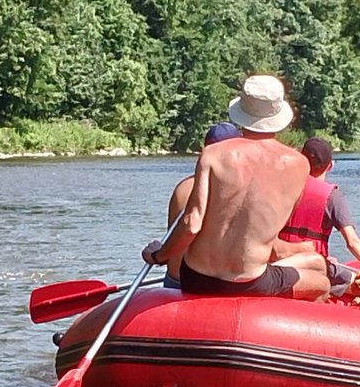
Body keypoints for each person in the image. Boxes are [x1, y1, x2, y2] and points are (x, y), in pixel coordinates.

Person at [141, 74, 330, 301]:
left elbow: (192, 224)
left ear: (242, 112)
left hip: (196, 278)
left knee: (314, 265)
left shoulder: (212, 154)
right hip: (250, 282)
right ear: (279, 115)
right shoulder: (299, 164)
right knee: (321, 282)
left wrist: (159, 255)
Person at [278, 137, 360, 295]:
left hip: (279, 260)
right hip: (313, 265)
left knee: (330, 264)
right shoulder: (332, 196)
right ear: (330, 166)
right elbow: (352, 242)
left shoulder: (281, 188)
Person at [163, 121, 241, 288]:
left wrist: (158, 255)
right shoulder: (234, 191)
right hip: (199, 284)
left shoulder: (182, 187)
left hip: (173, 280)